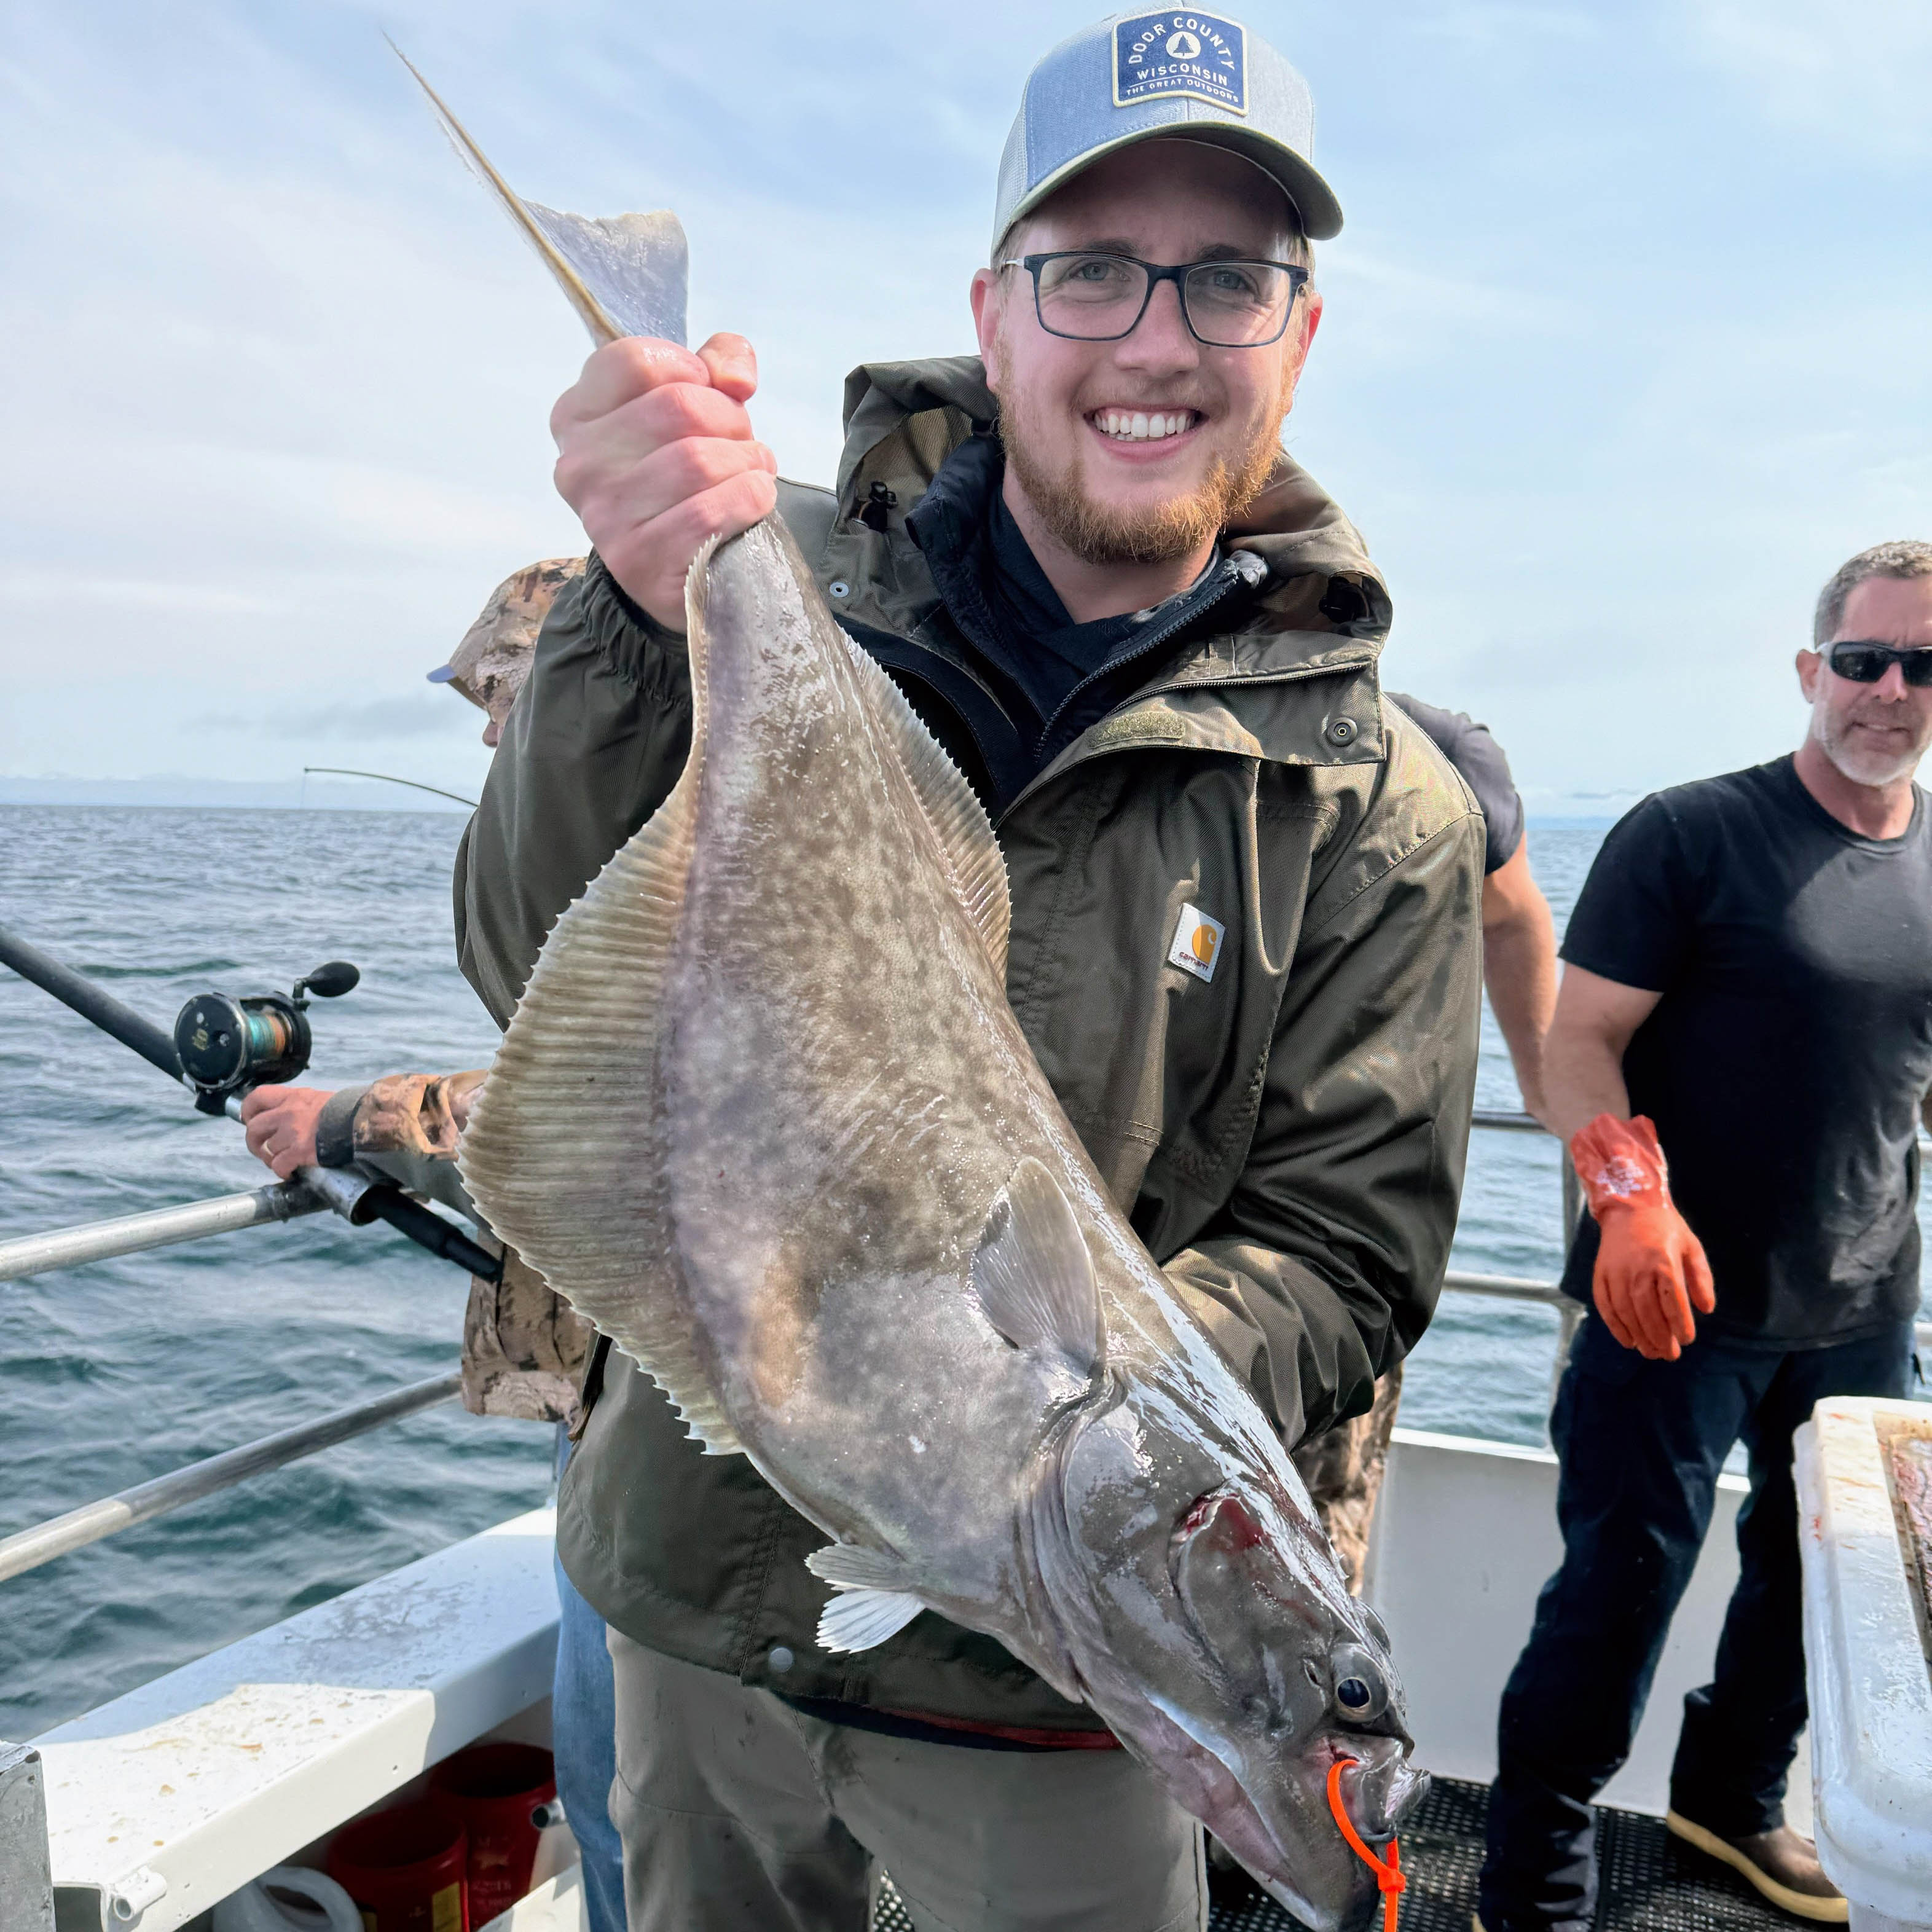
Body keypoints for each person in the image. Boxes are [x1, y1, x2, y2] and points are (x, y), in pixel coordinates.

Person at [458, 19, 1486, 1930]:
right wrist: (628, 610)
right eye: (1088, 270)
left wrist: (1076, 1481)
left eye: (1230, 276)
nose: (1156, 338)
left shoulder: (1379, 805)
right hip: (691, 1605)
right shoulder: (753, 581)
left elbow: (1347, 1249)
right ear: (994, 316)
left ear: (1302, 334)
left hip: (1050, 1716)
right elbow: (535, 968)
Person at [1477, 539, 1932, 1932]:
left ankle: (1729, 1804)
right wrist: (1630, 1200)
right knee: (1615, 1600)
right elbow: (1577, 1042)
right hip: (1665, 1300)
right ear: (1812, 671)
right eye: (1863, 659)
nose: (1891, 689)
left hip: (1861, 1309)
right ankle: (1531, 1870)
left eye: (1923, 665)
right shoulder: (1689, 832)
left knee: (1828, 1607)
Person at [239, 556, 627, 1932]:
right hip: (644, 1417)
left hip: (651, 1445)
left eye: (505, 694)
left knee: (627, 1803)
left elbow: (566, 1119)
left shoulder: (643, 855)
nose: (483, 733)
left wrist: (342, 1118)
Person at [1294, 696, 1557, 1588]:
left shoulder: (1428, 749)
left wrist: (1541, 1080)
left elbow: (1514, 912)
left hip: (1334, 1228)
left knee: (1315, 1541)